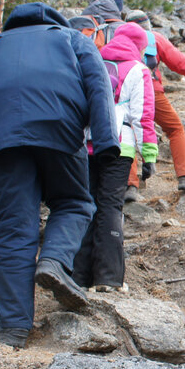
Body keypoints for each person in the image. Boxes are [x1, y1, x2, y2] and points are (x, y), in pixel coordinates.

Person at [0, 2, 117, 348]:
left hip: (6, 142)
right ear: (54, 20)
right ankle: (53, 261)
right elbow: (99, 86)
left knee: (13, 228)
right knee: (74, 203)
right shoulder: (73, 39)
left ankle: (13, 327)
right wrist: (106, 141)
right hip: (61, 132)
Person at [70, 22, 152, 293]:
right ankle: (109, 277)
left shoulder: (93, 61)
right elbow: (142, 117)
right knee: (110, 207)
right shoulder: (138, 70)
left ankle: (78, 276)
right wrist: (148, 155)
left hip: (88, 143)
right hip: (120, 147)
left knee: (86, 204)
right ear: (140, 46)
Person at [124, 9, 185, 193]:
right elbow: (181, 64)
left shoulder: (116, 39)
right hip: (151, 92)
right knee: (175, 129)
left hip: (125, 94)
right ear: (147, 26)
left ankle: (130, 186)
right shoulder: (154, 38)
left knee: (127, 134)